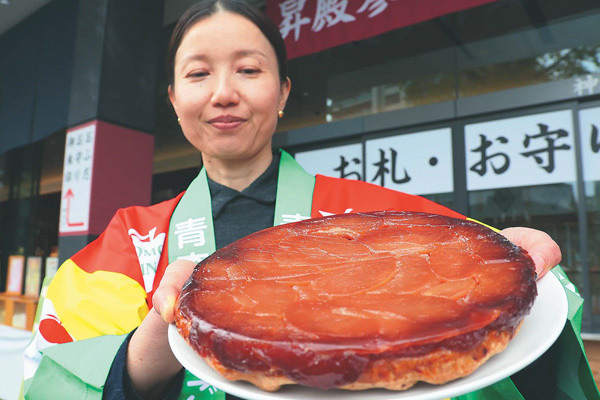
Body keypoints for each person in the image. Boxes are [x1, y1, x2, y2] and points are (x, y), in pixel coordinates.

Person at [22, 1, 594, 399]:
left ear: (283, 92)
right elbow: (60, 377)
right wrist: (162, 338)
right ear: (174, 100)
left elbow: (507, 316)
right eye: (198, 74)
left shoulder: (388, 221)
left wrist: (529, 276)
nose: (224, 93)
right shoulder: (128, 243)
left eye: (249, 69)